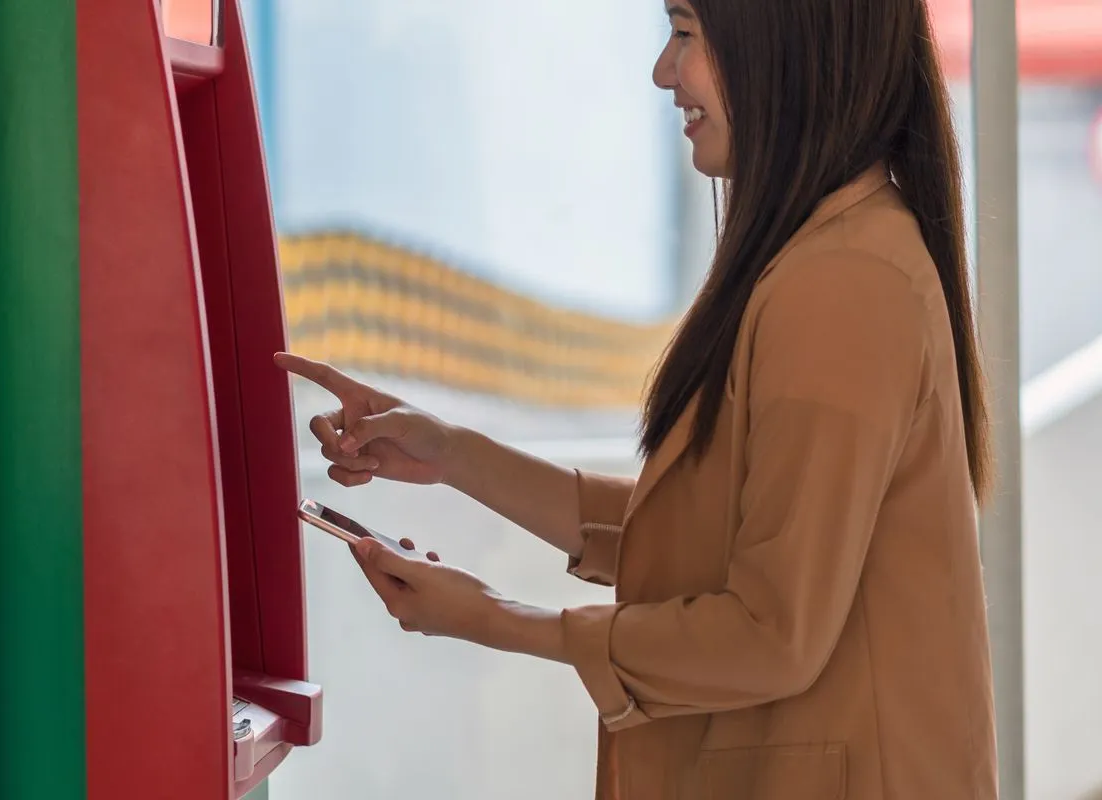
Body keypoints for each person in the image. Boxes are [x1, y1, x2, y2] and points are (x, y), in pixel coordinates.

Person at [274, 0, 999, 796]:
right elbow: (709, 533)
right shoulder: (827, 253)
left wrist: (496, 617)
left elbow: (771, 633)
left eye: (685, 33)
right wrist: (450, 454)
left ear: (783, 41)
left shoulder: (843, 284)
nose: (663, 72)